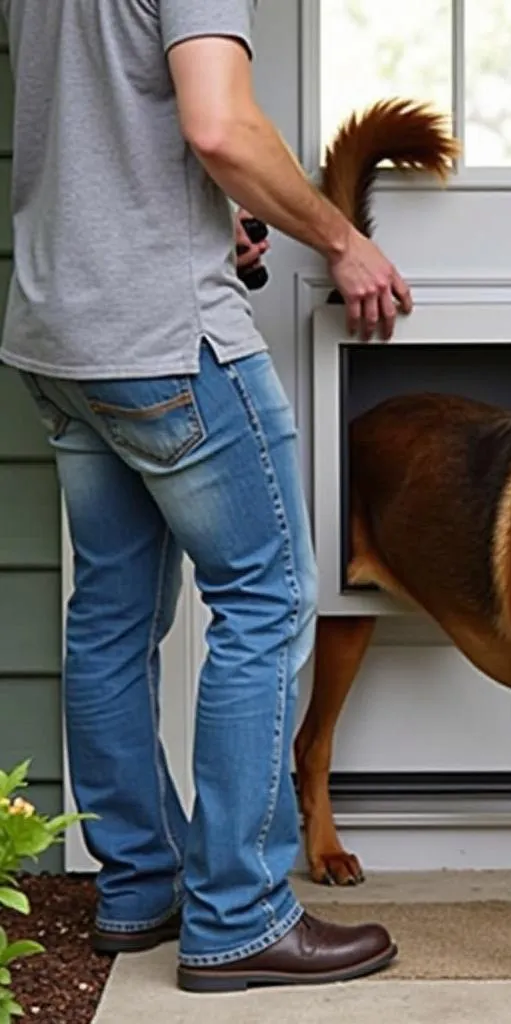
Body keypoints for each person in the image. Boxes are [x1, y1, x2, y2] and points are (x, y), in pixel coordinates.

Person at [0, 0, 411, 994]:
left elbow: (107, 124)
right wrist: (340, 238)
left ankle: (141, 885)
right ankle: (240, 914)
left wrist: (204, 215)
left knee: (111, 615)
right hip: (164, 338)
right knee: (266, 597)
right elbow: (218, 123)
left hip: (63, 332)